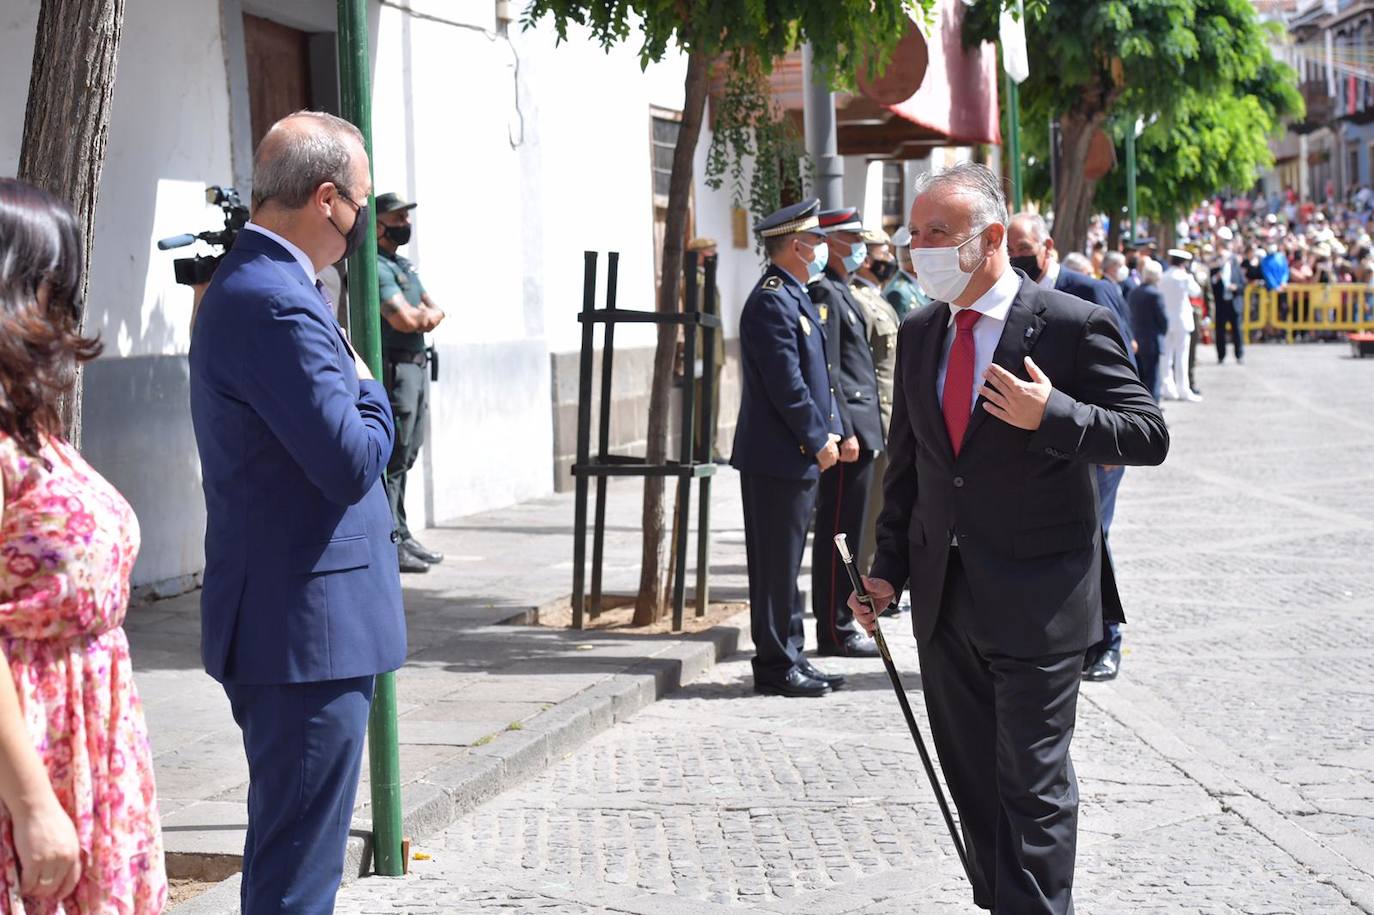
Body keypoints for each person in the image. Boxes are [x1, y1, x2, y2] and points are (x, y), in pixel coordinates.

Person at [848, 163, 1169, 913]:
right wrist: (886, 569)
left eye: (936, 233)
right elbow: (913, 469)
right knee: (976, 786)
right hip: (945, 603)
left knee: (1032, 784)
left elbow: (1148, 432)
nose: (916, 246)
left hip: (1039, 600)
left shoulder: (1068, 323)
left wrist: (1053, 413)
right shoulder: (925, 330)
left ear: (990, 239)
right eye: (913, 232)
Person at [189, 111, 407, 913]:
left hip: (307, 624)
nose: (365, 222)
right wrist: (372, 385)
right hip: (304, 634)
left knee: (299, 860)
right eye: (362, 202)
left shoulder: (273, 286)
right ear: (326, 200)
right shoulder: (275, 300)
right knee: (296, 878)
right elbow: (350, 458)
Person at [0, 179, 167, 912]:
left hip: (91, 741)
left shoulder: (29, 424)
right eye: (56, 281)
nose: (67, 303)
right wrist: (34, 804)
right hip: (31, 759)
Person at [730, 198, 845, 698]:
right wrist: (816, 439)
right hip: (778, 457)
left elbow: (820, 378)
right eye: (816, 240)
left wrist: (831, 428)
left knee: (788, 562)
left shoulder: (793, 295)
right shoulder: (771, 301)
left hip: (791, 455)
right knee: (776, 566)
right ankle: (776, 665)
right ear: (797, 245)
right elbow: (787, 385)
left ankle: (792, 654)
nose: (822, 248)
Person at [809, 208, 884, 658]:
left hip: (865, 428)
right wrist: (845, 428)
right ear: (833, 242)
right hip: (851, 433)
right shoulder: (826, 293)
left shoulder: (843, 291)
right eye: (851, 238)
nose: (859, 247)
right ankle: (834, 628)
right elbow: (831, 369)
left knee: (852, 534)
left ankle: (839, 622)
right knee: (839, 536)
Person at [375, 191, 446, 574]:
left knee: (409, 453)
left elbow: (436, 309)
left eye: (405, 218)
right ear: (378, 224)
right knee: (395, 455)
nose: (404, 225)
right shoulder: (378, 268)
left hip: (416, 367)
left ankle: (401, 532)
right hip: (397, 368)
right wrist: (424, 316)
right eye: (397, 218)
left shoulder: (403, 266)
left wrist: (426, 315)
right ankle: (391, 541)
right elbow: (406, 321)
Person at [848, 229, 902, 599]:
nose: (890, 259)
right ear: (867, 257)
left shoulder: (879, 299)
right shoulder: (858, 301)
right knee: (868, 516)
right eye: (884, 251)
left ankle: (878, 580)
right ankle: (864, 586)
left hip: (890, 414)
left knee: (883, 509)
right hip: (873, 418)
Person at [685, 237, 727, 462]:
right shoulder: (696, 281)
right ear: (700, 254)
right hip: (705, 352)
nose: (714, 256)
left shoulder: (706, 278)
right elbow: (699, 321)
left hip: (714, 351)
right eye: (710, 252)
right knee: (704, 405)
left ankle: (711, 445)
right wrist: (700, 355)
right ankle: (704, 449)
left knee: (713, 403)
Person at [1159, 249, 1202, 402]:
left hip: (1166, 320)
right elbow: (1196, 292)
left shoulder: (1163, 276)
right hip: (1182, 321)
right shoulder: (1185, 277)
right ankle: (1183, 389)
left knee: (1167, 356)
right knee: (1182, 357)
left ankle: (1167, 388)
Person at [1129, 259, 1170, 402]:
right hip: (1152, 341)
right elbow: (1163, 320)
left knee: (1142, 379)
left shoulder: (1134, 292)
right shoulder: (1155, 294)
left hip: (1137, 340)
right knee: (1153, 381)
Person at [1211, 231, 1245, 364]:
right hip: (1221, 302)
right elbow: (1210, 283)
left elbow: (1242, 283)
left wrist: (1235, 287)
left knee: (1237, 329)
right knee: (1220, 330)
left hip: (1234, 301)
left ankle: (1239, 354)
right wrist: (1216, 277)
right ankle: (1221, 355)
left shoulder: (1235, 265)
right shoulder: (1215, 266)